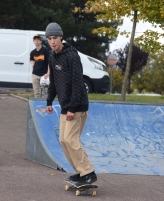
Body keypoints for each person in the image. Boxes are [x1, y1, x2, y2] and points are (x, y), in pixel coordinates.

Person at [45, 22, 97, 185]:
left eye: (55, 38)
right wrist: (49, 101)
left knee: (70, 139)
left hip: (77, 105)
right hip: (65, 105)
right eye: (50, 39)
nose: (52, 42)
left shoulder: (72, 55)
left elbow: (77, 83)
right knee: (63, 140)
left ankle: (89, 172)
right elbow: (53, 82)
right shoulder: (52, 56)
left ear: (61, 38)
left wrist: (72, 108)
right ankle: (81, 172)